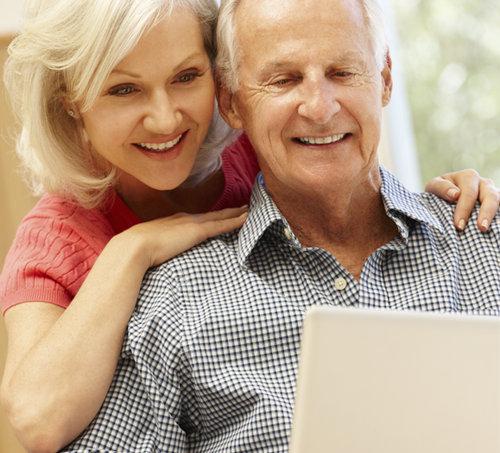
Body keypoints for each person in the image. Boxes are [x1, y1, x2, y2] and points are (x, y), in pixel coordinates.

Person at [0, 0, 496, 452]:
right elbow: (37, 418)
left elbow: (337, 163)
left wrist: (459, 196)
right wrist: (133, 249)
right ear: (235, 103)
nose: (165, 118)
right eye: (282, 81)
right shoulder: (99, 261)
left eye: (184, 77)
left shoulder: (477, 238)